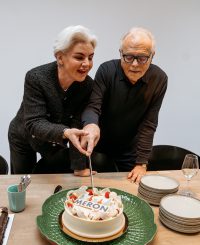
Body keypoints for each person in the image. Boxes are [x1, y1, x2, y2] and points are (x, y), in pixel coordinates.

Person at [81, 27, 168, 183]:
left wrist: (141, 163)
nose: (134, 64)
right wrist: (90, 125)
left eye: (142, 58)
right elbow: (93, 106)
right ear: (120, 53)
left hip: (130, 150)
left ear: (152, 56)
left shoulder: (159, 79)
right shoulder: (106, 70)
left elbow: (149, 122)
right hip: (98, 146)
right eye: (128, 57)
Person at [8, 25, 97, 175]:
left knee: (51, 179)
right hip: (23, 136)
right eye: (79, 57)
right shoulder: (36, 77)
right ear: (60, 57)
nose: (87, 63)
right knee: (22, 183)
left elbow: (77, 124)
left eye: (90, 57)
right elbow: (34, 122)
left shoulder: (87, 85)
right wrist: (65, 132)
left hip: (54, 140)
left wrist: (79, 166)